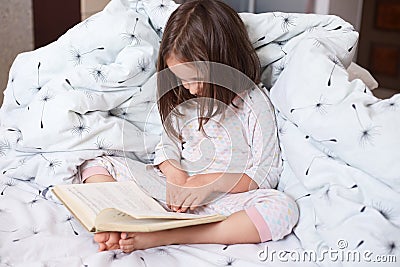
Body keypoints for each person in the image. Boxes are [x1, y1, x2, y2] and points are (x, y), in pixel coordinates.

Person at [80, 0, 299, 253]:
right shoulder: (185, 100)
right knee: (97, 162)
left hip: (225, 201)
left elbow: (266, 173)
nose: (189, 88)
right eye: (181, 79)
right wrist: (176, 177)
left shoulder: (254, 104)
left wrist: (211, 183)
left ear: (224, 62)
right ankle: (113, 221)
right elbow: (167, 145)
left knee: (283, 208)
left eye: (195, 78)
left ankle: (171, 235)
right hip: (173, 194)